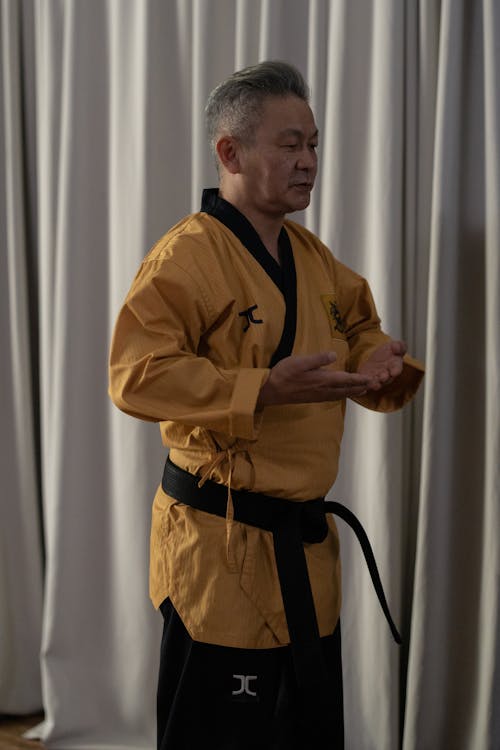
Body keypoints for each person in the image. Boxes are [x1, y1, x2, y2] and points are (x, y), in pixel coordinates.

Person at [109, 60, 424, 750]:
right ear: (231, 152)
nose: (309, 161)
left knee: (305, 734)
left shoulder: (313, 258)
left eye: (313, 144)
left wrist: (379, 365)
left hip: (304, 554)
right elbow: (135, 374)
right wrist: (260, 389)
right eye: (290, 144)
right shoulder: (185, 258)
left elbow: (360, 327)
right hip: (221, 552)